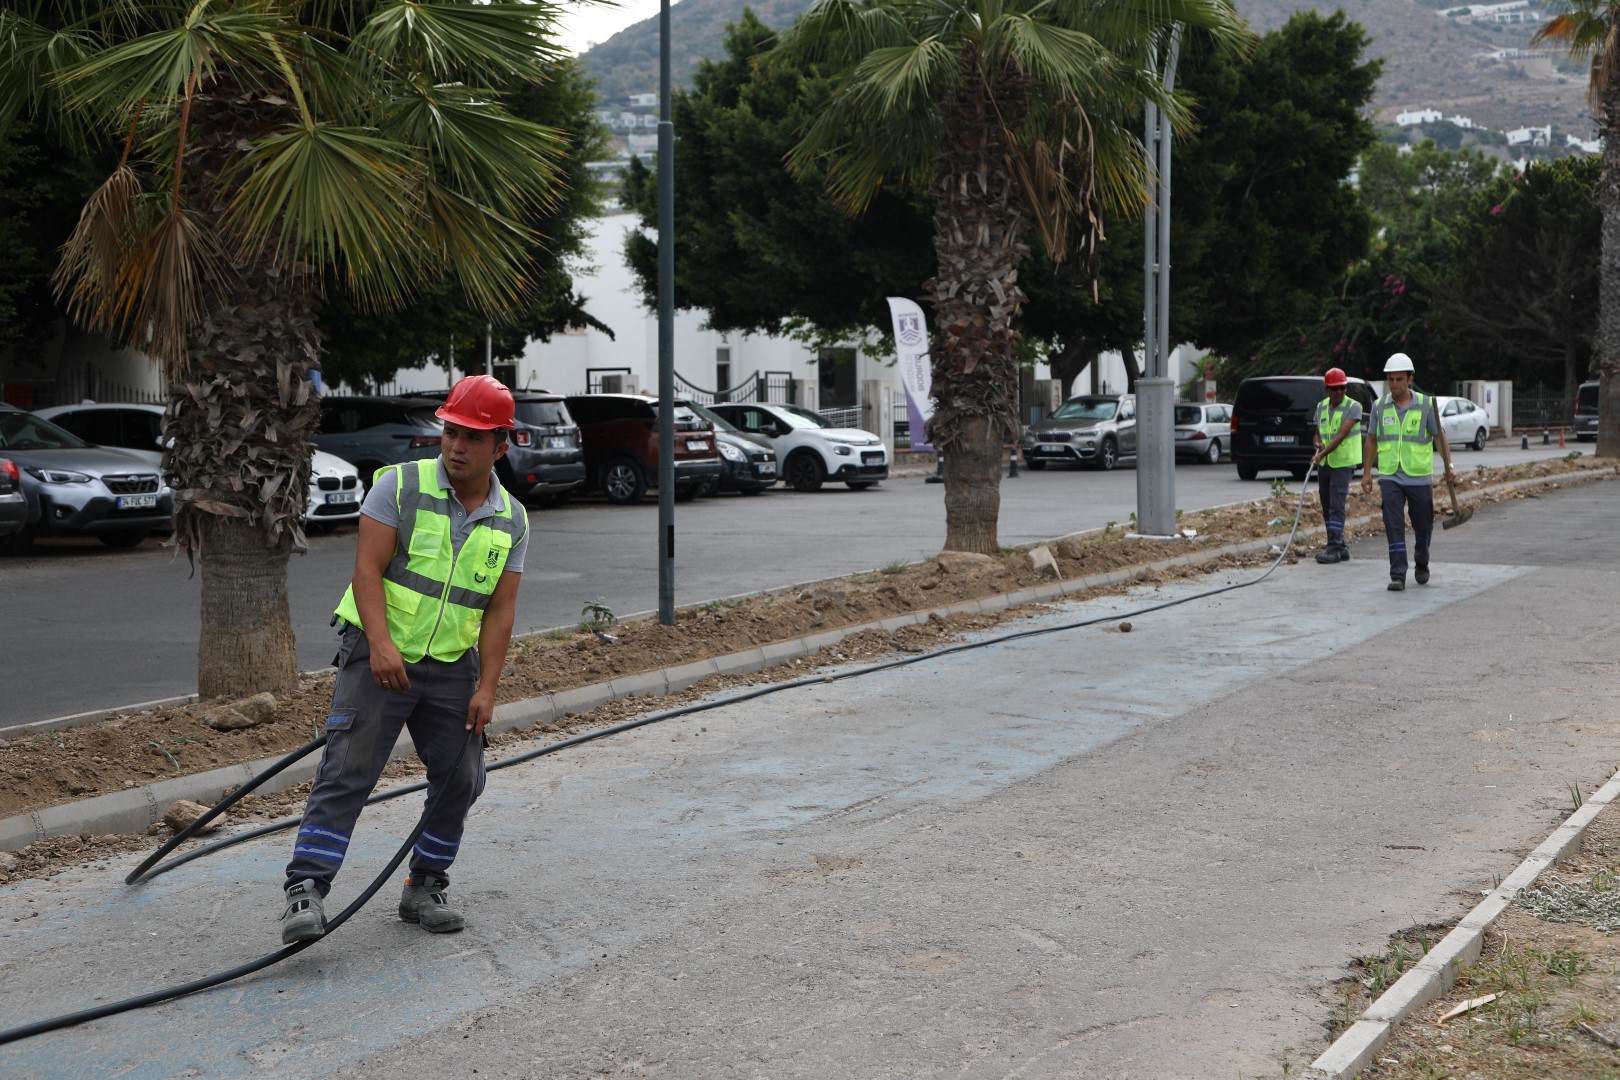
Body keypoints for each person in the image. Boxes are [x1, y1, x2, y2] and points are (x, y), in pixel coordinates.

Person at [280, 374, 528, 944]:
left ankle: (424, 885)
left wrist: (487, 688)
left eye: (473, 436)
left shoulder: (511, 519)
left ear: (501, 446)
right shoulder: (399, 486)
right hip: (378, 653)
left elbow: (499, 613)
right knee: (349, 768)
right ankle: (305, 892)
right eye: (452, 431)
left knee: (461, 776)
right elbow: (366, 573)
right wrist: (384, 644)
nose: (457, 446)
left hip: (450, 667)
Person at [1360, 353, 1457, 592]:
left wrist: (1449, 466)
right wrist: (1366, 473)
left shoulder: (1425, 405)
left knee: (1423, 525)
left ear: (1410, 379)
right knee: (1393, 525)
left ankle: (1421, 560)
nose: (1394, 384)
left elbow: (1439, 437)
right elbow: (1371, 440)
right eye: (1391, 380)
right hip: (1390, 475)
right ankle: (1398, 575)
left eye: (1399, 379)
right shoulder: (1379, 407)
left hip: (1418, 476)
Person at [1311, 367, 1363, 565]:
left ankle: (1333, 548)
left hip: (1343, 463)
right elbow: (1318, 432)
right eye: (1334, 389)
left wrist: (1321, 454)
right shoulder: (1321, 407)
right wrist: (1317, 443)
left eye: (1342, 388)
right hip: (1325, 463)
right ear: (1327, 389)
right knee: (1327, 505)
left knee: (1336, 505)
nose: (1339, 392)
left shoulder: (1353, 407)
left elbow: (1341, 435)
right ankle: (1340, 546)